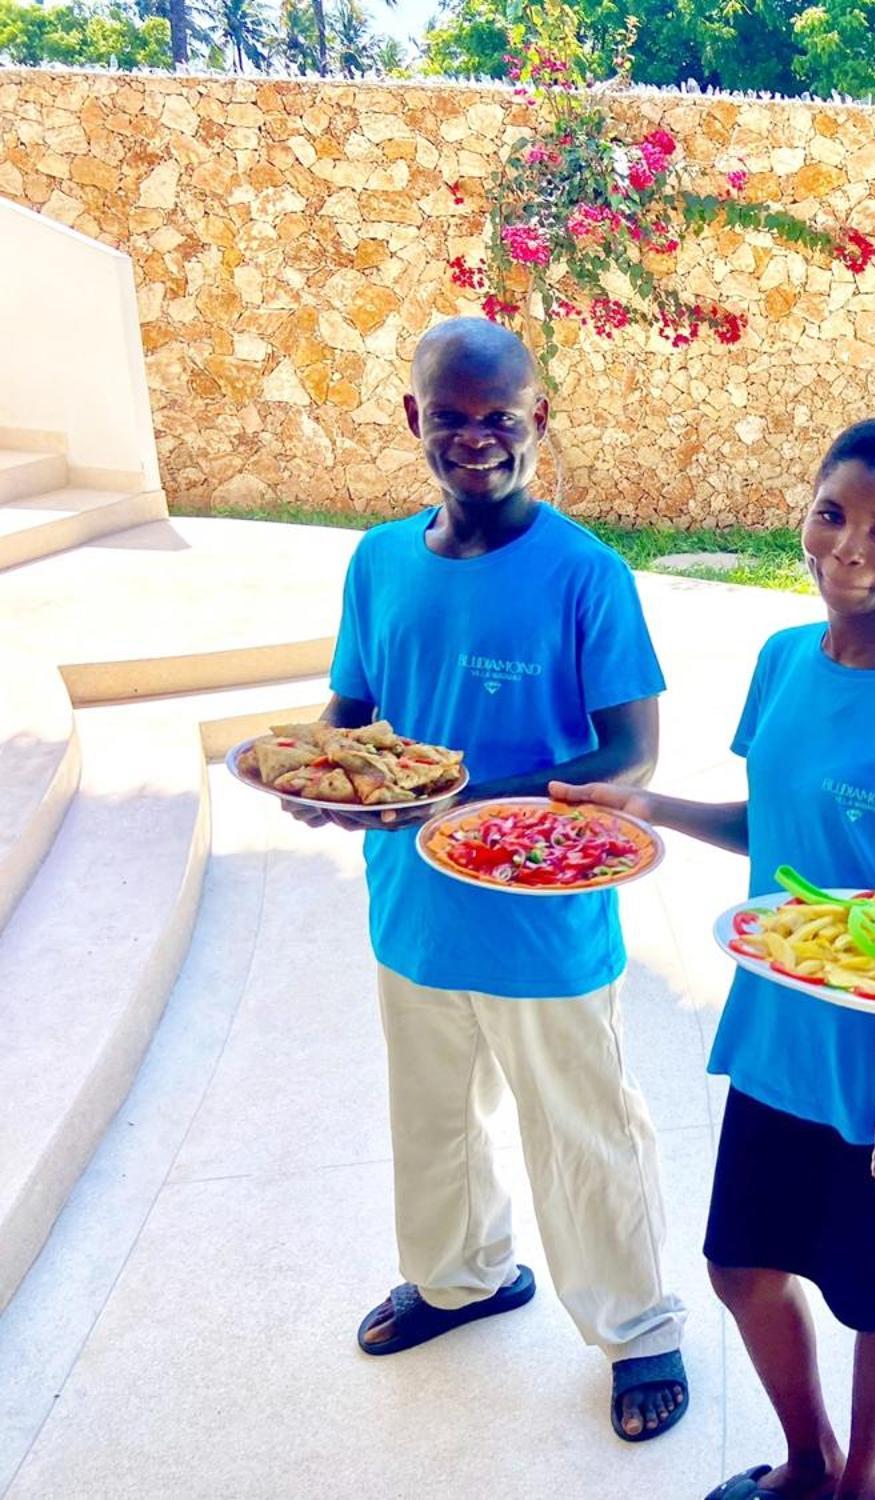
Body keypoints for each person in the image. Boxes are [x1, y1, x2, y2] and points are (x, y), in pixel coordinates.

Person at [557, 417, 875, 1500]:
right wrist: (646, 805)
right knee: (738, 1266)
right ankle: (808, 1465)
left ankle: (863, 1487)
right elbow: (771, 821)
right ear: (803, 513)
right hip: (778, 1030)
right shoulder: (780, 661)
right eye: (832, 515)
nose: (851, 547)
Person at [299, 317, 690, 1441]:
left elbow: (629, 756)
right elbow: (352, 713)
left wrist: (472, 801)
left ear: (539, 421)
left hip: (544, 920)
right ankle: (462, 1276)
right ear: (414, 419)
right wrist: (327, 773)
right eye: (453, 418)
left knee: (581, 1128)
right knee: (431, 1119)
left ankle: (636, 1327)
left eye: (501, 418)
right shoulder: (376, 561)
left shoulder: (585, 574)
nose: (477, 439)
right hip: (410, 908)